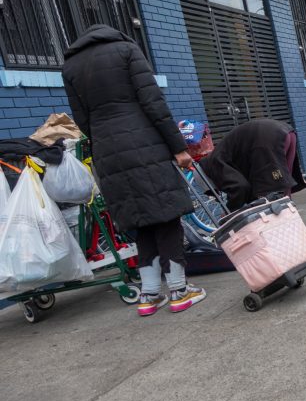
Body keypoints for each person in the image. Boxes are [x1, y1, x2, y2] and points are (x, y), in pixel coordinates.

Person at [62, 25, 206, 317]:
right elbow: (153, 102)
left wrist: (104, 143)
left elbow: (81, 119)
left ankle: (150, 294)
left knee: (139, 219)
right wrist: (178, 148)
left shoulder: (70, 66)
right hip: (145, 142)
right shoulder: (127, 50)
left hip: (107, 151)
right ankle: (179, 290)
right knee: (165, 215)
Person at [199, 119, 306, 212]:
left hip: (266, 138)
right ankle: (290, 223)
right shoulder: (220, 154)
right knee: (283, 188)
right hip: (286, 132)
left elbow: (240, 187)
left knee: (271, 191)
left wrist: (229, 212)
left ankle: (280, 227)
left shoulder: (214, 163)